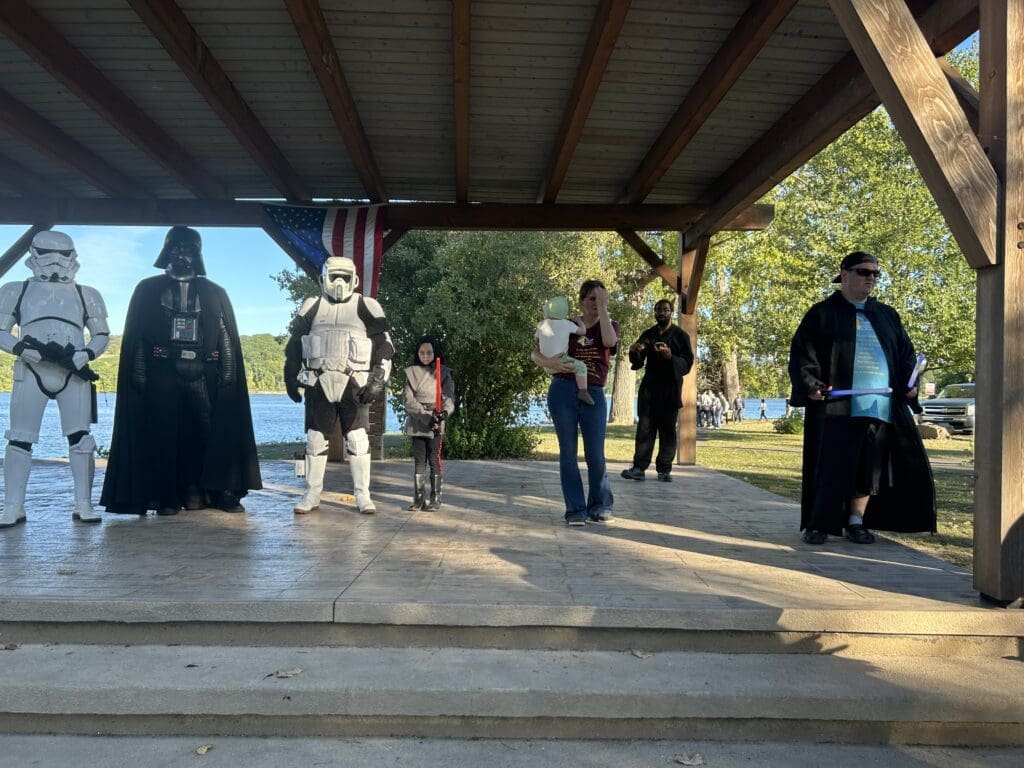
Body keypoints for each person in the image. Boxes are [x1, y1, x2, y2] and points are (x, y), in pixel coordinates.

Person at [101, 226, 261, 516]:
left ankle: (219, 491)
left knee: (213, 432)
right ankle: (166, 495)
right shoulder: (148, 289)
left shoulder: (214, 293)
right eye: (176, 249)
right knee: (163, 434)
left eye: (188, 250)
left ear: (197, 254)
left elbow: (224, 333)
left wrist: (228, 371)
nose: (182, 255)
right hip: (163, 373)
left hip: (203, 372)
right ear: (166, 252)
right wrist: (139, 371)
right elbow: (137, 335)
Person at [788, 250, 935, 545]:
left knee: (869, 466)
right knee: (829, 464)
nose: (871, 278)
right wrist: (811, 384)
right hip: (836, 406)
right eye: (863, 272)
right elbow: (803, 355)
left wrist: (910, 383)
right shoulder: (822, 314)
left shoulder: (886, 315)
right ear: (844, 275)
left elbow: (906, 355)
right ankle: (820, 523)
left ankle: (857, 521)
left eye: (875, 274)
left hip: (878, 406)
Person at [0, 231, 109, 527]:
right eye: (47, 253)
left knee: (81, 438)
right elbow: (1, 330)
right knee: (19, 439)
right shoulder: (14, 290)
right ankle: (13, 505)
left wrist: (85, 354)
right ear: (34, 255)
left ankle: (83, 503)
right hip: (30, 370)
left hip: (72, 372)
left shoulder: (87, 294)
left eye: (63, 255)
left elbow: (101, 335)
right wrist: (22, 349)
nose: (55, 262)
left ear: (73, 257)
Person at [285, 255, 394, 515]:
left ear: (354, 279)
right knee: (314, 440)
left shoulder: (366, 305)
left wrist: (378, 381)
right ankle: (312, 493)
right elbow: (294, 344)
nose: (339, 282)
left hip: (353, 383)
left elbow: (385, 347)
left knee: (358, 441)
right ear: (323, 278)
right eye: (334, 276)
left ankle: (362, 495)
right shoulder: (312, 305)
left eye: (344, 277)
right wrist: (290, 376)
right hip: (318, 382)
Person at [531, 279, 618, 526]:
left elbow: (610, 344)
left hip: (594, 392)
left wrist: (602, 310)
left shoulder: (610, 326)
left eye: (603, 298)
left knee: (595, 453)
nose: (598, 303)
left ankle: (600, 505)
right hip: (563, 390)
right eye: (592, 299)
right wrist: (549, 363)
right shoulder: (564, 325)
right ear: (581, 301)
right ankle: (575, 509)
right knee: (568, 452)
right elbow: (536, 352)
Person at [621, 299, 693, 483]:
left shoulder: (680, 336)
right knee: (645, 429)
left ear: (671, 312)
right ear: (654, 313)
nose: (661, 313)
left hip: (670, 389)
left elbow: (687, 363)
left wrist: (670, 357)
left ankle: (664, 470)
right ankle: (639, 468)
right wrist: (634, 351)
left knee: (668, 430)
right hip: (649, 390)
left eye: (665, 310)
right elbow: (637, 362)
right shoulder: (648, 334)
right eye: (658, 310)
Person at [403, 336, 454, 510]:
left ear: (435, 353)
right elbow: (409, 402)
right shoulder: (410, 372)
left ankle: (435, 498)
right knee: (419, 461)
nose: (425, 355)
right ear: (417, 353)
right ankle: (418, 499)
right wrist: (426, 417)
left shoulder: (444, 373)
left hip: (436, 422)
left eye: (429, 352)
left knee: (433, 459)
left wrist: (443, 414)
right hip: (418, 422)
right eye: (422, 352)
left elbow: (449, 398)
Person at [535, 296, 593, 406]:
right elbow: (583, 331)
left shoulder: (541, 324)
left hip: (545, 363)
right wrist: (579, 321)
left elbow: (536, 339)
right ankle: (583, 392)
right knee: (581, 367)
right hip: (561, 361)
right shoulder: (566, 323)